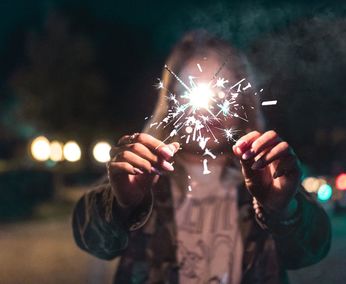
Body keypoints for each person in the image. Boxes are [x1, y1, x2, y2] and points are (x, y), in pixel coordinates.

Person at [72, 30, 331, 284]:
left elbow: (312, 250)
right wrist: (120, 205)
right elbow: (92, 240)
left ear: (241, 99)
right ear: (172, 101)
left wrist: (284, 210)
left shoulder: (266, 171)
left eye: (223, 89)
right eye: (190, 87)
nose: (210, 110)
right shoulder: (143, 171)